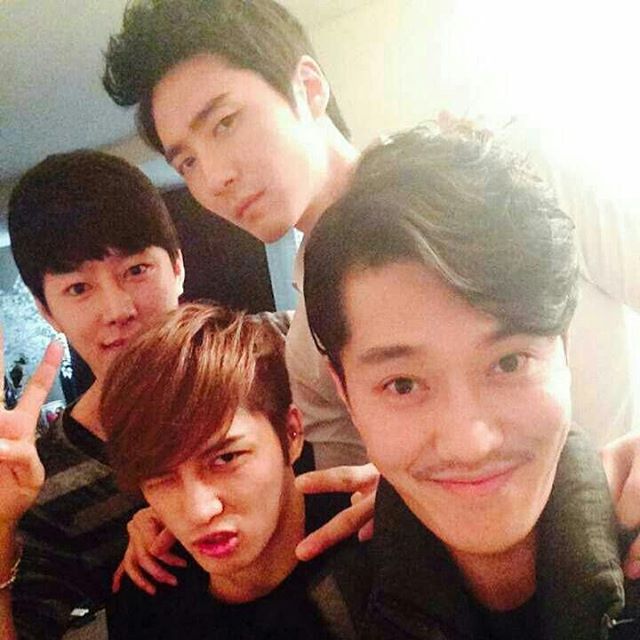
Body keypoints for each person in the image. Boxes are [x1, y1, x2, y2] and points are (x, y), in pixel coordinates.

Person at [101, 0, 640, 578]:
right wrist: (181, 508)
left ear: (309, 88)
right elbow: (347, 505)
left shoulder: (521, 180)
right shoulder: (310, 342)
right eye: (187, 162)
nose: (215, 177)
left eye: (225, 123)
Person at [303, 124, 640, 639]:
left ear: (565, 349)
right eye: (402, 385)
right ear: (346, 395)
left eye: (509, 363)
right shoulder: (327, 615)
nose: (470, 444)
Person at [1, 150, 185, 639]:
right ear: (47, 311)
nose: (117, 309)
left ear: (177, 266)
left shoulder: (280, 357)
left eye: (137, 270)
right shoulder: (43, 483)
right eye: (79, 288)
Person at [102, 302, 360, 639]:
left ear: (291, 433)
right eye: (161, 477)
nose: (199, 511)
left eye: (225, 459)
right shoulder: (147, 600)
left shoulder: (375, 556)